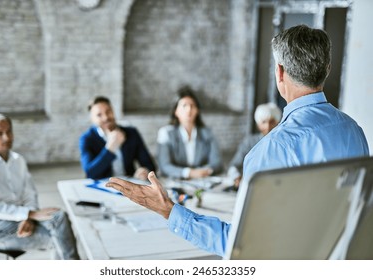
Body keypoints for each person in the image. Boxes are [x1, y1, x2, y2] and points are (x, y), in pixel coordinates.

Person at [106, 25, 369, 257]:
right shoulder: (354, 131)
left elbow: (246, 248)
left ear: (279, 73)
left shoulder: (270, 150)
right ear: (327, 68)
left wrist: (169, 211)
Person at [0, 114, 79, 259]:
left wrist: (28, 217)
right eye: (0, 133)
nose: (7, 138)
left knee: (59, 217)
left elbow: (30, 194)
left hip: (23, 216)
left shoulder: (18, 160)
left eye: (9, 131)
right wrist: (29, 214)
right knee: (60, 238)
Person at [79, 96, 156, 180]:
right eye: (99, 115)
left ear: (113, 111)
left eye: (108, 111)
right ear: (92, 119)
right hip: (102, 186)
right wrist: (110, 147)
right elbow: (90, 172)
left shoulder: (131, 133)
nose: (106, 117)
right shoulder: (86, 139)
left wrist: (144, 171)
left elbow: (150, 165)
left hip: (129, 184)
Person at [157, 86, 223, 179]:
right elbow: (164, 166)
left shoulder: (208, 133)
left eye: (192, 106)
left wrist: (205, 171)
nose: (189, 110)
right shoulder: (166, 133)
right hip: (176, 182)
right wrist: (189, 173)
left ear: (197, 110)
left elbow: (217, 163)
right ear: (176, 111)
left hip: (202, 180)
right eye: (184, 105)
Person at [227, 102, 282, 188]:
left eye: (271, 122)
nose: (267, 126)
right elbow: (233, 166)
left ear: (278, 123)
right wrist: (236, 177)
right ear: (258, 124)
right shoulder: (249, 142)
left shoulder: (282, 143)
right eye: (263, 122)